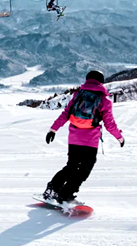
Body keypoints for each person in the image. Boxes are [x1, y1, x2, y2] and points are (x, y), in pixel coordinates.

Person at [42, 70, 124, 205]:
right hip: (90, 141)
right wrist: (120, 138)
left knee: (71, 167)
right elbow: (109, 124)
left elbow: (65, 114)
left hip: (74, 138)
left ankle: (53, 188)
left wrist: (53, 129)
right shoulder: (104, 100)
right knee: (84, 169)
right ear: (101, 81)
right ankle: (65, 194)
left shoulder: (78, 95)